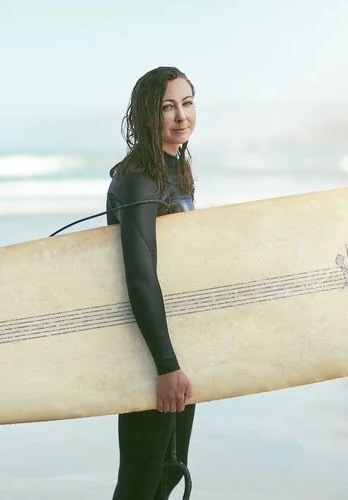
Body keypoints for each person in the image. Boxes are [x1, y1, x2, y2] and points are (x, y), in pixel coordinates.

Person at [106, 66, 198, 499]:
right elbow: (141, 275)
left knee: (168, 473)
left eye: (187, 102)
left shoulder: (174, 171)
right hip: (150, 353)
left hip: (176, 346)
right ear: (147, 115)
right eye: (167, 107)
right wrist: (165, 366)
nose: (181, 116)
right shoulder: (139, 176)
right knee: (141, 482)